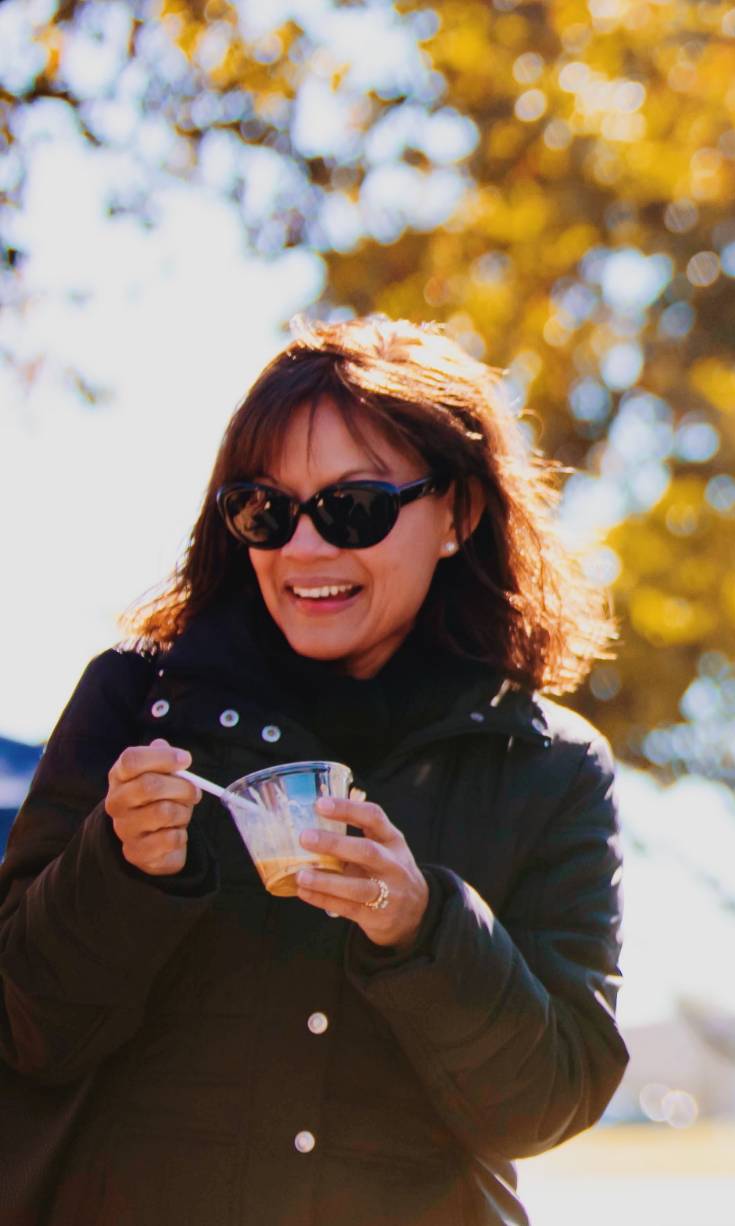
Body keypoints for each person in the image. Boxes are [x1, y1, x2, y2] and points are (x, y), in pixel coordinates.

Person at [0, 318, 627, 1225]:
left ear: (458, 514)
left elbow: (549, 1101)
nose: (302, 550)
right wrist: (122, 870)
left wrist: (424, 928)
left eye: (353, 508)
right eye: (265, 510)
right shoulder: (137, 707)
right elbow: (26, 1033)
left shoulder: (552, 767)